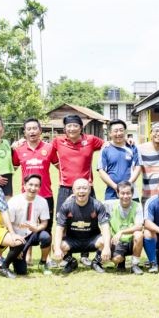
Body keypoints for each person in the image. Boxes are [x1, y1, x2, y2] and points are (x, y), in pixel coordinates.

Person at [49, 114, 105, 267]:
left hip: (87, 187)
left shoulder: (91, 140)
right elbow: (47, 153)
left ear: (81, 127)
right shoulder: (58, 141)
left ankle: (85, 255)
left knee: (89, 220)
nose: (72, 128)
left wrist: (129, 141)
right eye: (69, 126)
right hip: (66, 187)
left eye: (75, 125)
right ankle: (66, 256)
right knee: (63, 221)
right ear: (64, 128)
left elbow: (108, 145)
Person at [52, 178, 112, 275]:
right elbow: (59, 229)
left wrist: (107, 247)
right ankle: (72, 262)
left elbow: (105, 227)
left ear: (89, 190)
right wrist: (58, 249)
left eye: (84, 188)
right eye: (78, 188)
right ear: (73, 190)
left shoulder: (97, 205)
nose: (81, 191)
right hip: (73, 240)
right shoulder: (66, 206)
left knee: (105, 242)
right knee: (56, 246)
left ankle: (96, 262)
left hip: (92, 239)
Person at [12, 118, 58, 233]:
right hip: (27, 197)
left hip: (46, 195)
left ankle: (46, 252)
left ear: (40, 130)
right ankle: (28, 252)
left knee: (47, 230)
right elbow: (12, 169)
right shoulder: (18, 150)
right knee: (27, 229)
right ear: (25, 132)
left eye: (34, 128)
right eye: (29, 129)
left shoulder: (49, 148)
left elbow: (60, 167)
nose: (32, 131)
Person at [6, 174, 54, 275]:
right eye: (30, 184)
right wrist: (16, 243)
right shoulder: (14, 201)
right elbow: (8, 224)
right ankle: (15, 256)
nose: (33, 188)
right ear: (24, 185)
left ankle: (43, 262)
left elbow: (45, 222)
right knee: (21, 271)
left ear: (40, 187)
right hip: (18, 237)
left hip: (33, 234)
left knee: (46, 236)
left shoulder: (43, 201)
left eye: (36, 185)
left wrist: (37, 228)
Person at [104, 180, 145, 275]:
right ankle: (120, 262)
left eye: (128, 193)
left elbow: (139, 226)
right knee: (117, 259)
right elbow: (93, 203)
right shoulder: (110, 205)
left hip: (132, 241)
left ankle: (135, 265)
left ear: (132, 194)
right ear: (117, 194)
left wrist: (121, 232)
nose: (125, 196)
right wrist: (74, 197)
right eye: (122, 193)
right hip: (117, 242)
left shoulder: (137, 206)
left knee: (139, 235)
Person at [98, 119, 141, 200]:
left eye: (121, 130)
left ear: (125, 132)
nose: (119, 133)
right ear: (110, 133)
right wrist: (115, 187)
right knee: (111, 213)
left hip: (131, 193)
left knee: (133, 212)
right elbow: (101, 171)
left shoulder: (133, 147)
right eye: (115, 131)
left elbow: (138, 168)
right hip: (111, 193)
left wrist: (128, 184)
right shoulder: (105, 149)